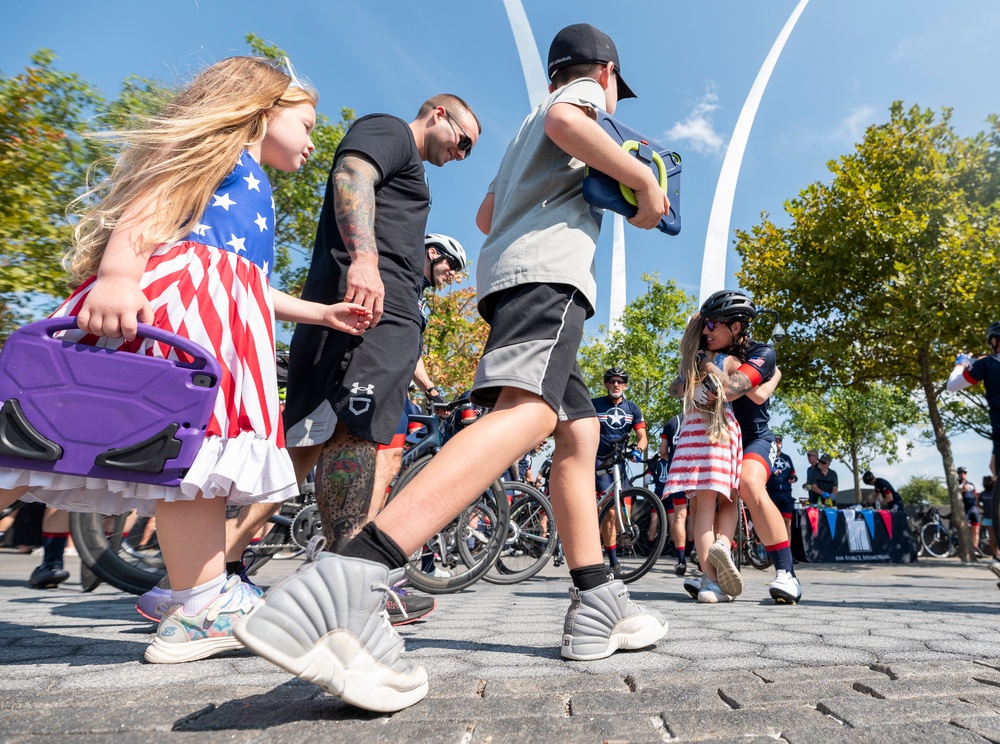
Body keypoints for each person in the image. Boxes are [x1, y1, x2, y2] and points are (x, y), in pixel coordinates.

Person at [235, 23, 671, 712]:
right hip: (549, 281)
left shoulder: (527, 129)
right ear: (605, 73)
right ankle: (352, 580)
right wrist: (643, 182)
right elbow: (568, 119)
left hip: (509, 280)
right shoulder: (577, 103)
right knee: (525, 414)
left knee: (576, 431)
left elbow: (488, 209)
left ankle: (598, 601)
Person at [0, 56, 372, 663]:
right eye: (306, 124)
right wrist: (118, 274)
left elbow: (250, 286)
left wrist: (320, 314)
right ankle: (199, 600)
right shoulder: (222, 155)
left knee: (187, 458)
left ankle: (199, 600)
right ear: (264, 109)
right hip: (178, 315)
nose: (312, 141)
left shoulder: (256, 180)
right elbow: (152, 203)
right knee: (48, 437)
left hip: (222, 322)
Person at [277, 96, 479, 558]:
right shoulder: (391, 132)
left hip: (378, 314)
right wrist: (365, 261)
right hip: (368, 310)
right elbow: (351, 174)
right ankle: (344, 574)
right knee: (355, 432)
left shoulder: (412, 166)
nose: (462, 155)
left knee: (308, 446)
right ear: (438, 115)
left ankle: (215, 563)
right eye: (463, 141)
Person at [695, 289, 800, 604]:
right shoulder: (704, 349)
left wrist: (707, 369)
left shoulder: (763, 352)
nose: (705, 331)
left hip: (755, 438)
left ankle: (786, 573)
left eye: (713, 324)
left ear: (736, 327)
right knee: (714, 499)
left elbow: (732, 389)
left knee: (749, 483)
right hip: (720, 441)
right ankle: (712, 577)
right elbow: (677, 385)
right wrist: (690, 387)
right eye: (705, 324)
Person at [664, 314, 744, 603]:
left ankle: (708, 577)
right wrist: (710, 367)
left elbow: (674, 389)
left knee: (701, 510)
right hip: (717, 432)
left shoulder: (687, 364)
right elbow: (735, 388)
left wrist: (690, 384)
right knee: (730, 499)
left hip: (691, 435)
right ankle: (718, 567)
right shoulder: (727, 360)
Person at [948, 324, 1000, 573]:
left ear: (995, 340)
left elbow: (953, 385)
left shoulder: (989, 364)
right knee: (992, 467)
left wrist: (961, 363)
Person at [592, 367, 647, 577]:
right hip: (599, 461)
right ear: (606, 384)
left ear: (625, 385)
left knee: (623, 513)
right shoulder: (595, 404)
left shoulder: (632, 408)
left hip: (621, 461)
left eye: (620, 382)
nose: (616, 385)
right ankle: (613, 561)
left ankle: (611, 547)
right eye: (612, 381)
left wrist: (638, 450)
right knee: (610, 510)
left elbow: (642, 436)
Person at [765, 435, 797, 542]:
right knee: (771, 523)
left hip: (786, 494)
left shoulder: (787, 458)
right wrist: (772, 471)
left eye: (780, 440)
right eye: (775, 440)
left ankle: (788, 554)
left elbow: (793, 474)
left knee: (787, 522)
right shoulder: (767, 457)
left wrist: (793, 478)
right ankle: (772, 554)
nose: (778, 442)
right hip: (772, 493)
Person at [956, 467, 982, 557]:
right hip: (964, 509)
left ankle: (975, 548)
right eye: (960, 473)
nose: (962, 474)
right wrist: (962, 489)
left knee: (976, 529)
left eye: (964, 473)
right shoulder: (956, 484)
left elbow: (975, 495)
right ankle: (965, 549)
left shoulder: (971, 484)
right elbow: (954, 495)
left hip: (973, 508)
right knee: (964, 529)